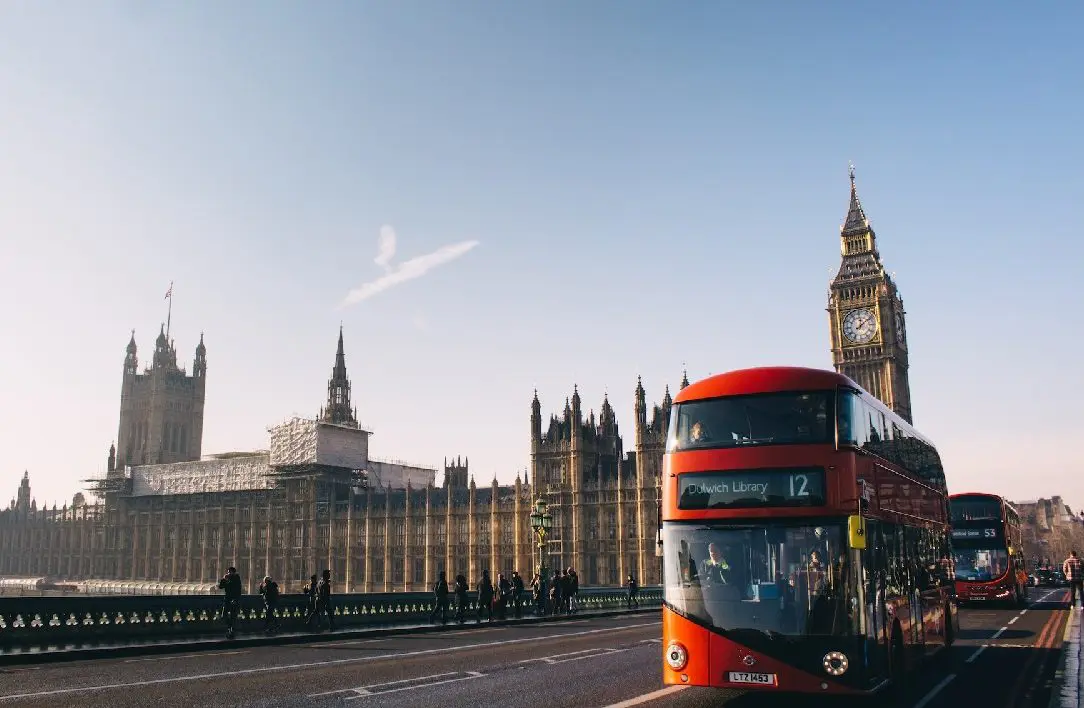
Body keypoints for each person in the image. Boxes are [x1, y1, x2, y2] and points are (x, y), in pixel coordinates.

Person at [217, 566, 243, 639]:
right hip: (227, 599)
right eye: (228, 572)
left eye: (229, 572)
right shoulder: (227, 578)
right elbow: (220, 587)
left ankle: (231, 630)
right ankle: (230, 628)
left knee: (233, 616)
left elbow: (238, 590)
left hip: (234, 600)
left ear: (233, 572)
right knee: (224, 615)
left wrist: (235, 599)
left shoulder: (237, 579)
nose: (228, 573)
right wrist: (224, 579)